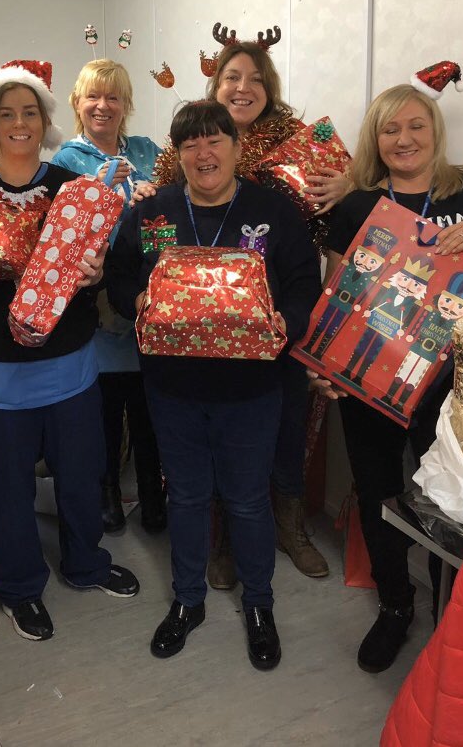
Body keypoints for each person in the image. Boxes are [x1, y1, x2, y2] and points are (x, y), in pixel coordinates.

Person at [0, 58, 140, 642]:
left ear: (45, 121)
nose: (19, 124)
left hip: (70, 363)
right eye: (6, 114)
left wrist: (92, 275)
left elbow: (93, 271)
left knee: (80, 474)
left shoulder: (70, 189)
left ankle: (85, 563)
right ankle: (20, 588)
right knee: (9, 487)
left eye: (29, 113)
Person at [106, 100, 320, 669]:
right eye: (190, 144)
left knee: (249, 502)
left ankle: (259, 606)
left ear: (235, 147)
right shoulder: (156, 215)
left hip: (252, 387)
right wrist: (137, 300)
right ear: (177, 156)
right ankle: (187, 602)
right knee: (189, 496)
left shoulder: (272, 212)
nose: (204, 153)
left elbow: (304, 284)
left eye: (214, 140)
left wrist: (287, 323)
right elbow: (122, 276)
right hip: (173, 384)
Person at [155, 28, 349, 582]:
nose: (244, 88)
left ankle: (287, 526)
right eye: (233, 77)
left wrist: (348, 183)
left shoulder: (299, 139)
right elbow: (158, 213)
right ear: (216, 84)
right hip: (202, 323)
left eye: (256, 80)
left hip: (283, 311)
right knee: (216, 436)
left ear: (271, 88)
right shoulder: (193, 140)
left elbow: (354, 198)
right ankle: (221, 542)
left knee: (288, 423)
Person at [311, 77, 463, 672]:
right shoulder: (359, 206)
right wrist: (326, 367)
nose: (405, 138)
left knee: (454, 505)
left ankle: (452, 619)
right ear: (376, 139)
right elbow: (341, 296)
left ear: (435, 132)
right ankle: (395, 605)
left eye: (417, 125)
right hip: (373, 384)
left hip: (456, 391)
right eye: (391, 128)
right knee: (380, 490)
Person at [52, 58, 166, 534]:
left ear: (126, 104)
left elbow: (176, 206)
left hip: (150, 291)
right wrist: (104, 189)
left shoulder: (148, 149)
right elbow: (62, 231)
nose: (103, 106)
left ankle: (155, 496)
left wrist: (156, 195)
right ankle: (106, 495)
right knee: (103, 409)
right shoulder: (64, 159)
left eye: (113, 96)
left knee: (149, 409)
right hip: (95, 300)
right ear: (78, 103)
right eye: (93, 96)